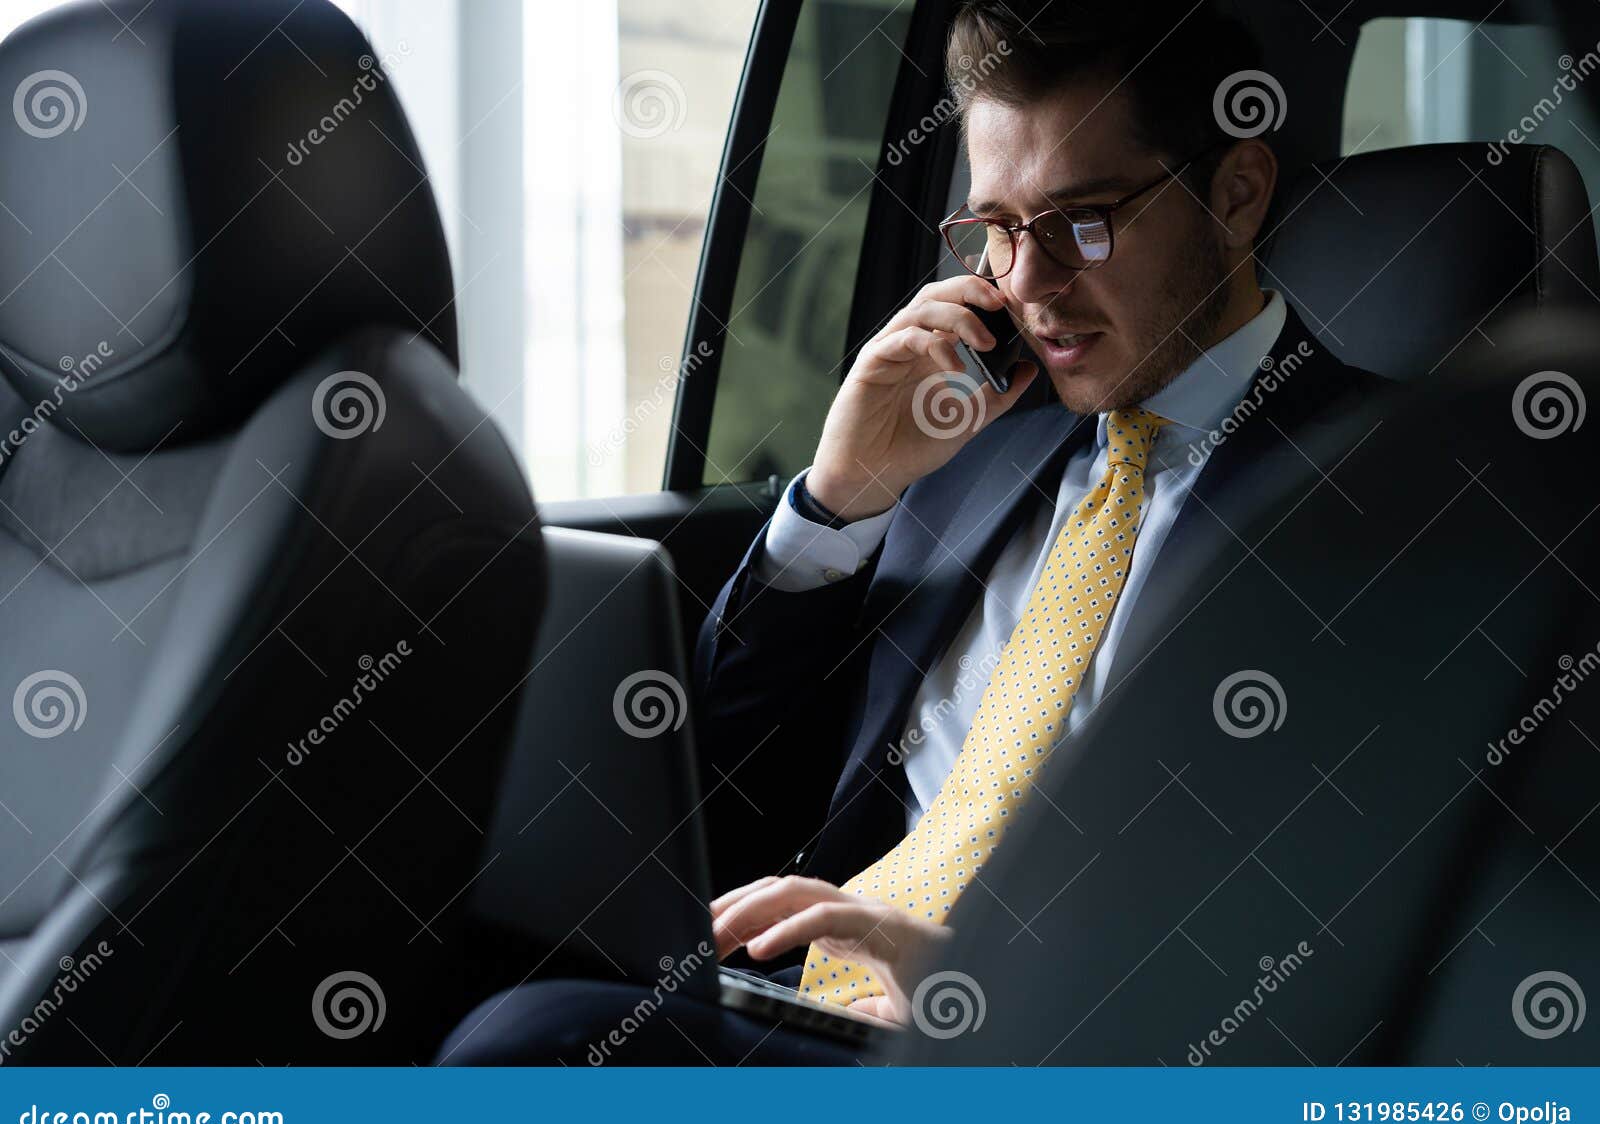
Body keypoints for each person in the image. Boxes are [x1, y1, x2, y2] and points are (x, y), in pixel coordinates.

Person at [439, 0, 1388, 1065]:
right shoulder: (969, 445)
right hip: (812, 1000)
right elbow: (723, 800)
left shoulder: (1402, 493)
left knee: (528, 1043)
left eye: (1083, 221)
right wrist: (840, 498)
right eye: (997, 227)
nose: (1027, 285)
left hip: (1076, 1055)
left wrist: (974, 970)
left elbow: (1365, 919)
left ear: (1236, 193)